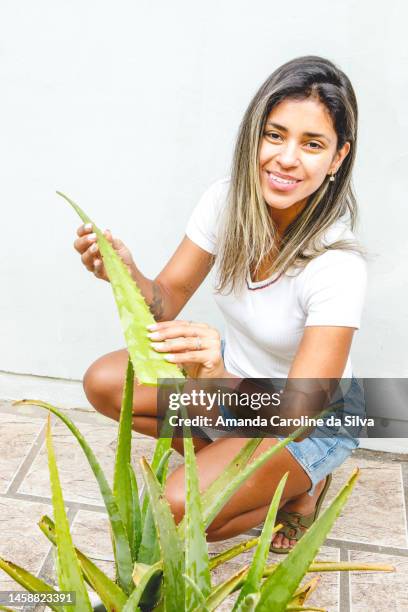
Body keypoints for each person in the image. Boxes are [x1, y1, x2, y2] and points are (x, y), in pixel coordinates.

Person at [74, 56, 367, 552]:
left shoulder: (337, 265)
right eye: (275, 135)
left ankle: (302, 489)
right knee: (104, 382)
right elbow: (163, 302)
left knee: (175, 511)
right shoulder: (226, 202)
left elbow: (297, 413)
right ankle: (244, 462)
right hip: (235, 384)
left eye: (312, 144)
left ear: (337, 158)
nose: (287, 158)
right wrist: (125, 273)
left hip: (307, 417)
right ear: (254, 135)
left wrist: (213, 377)